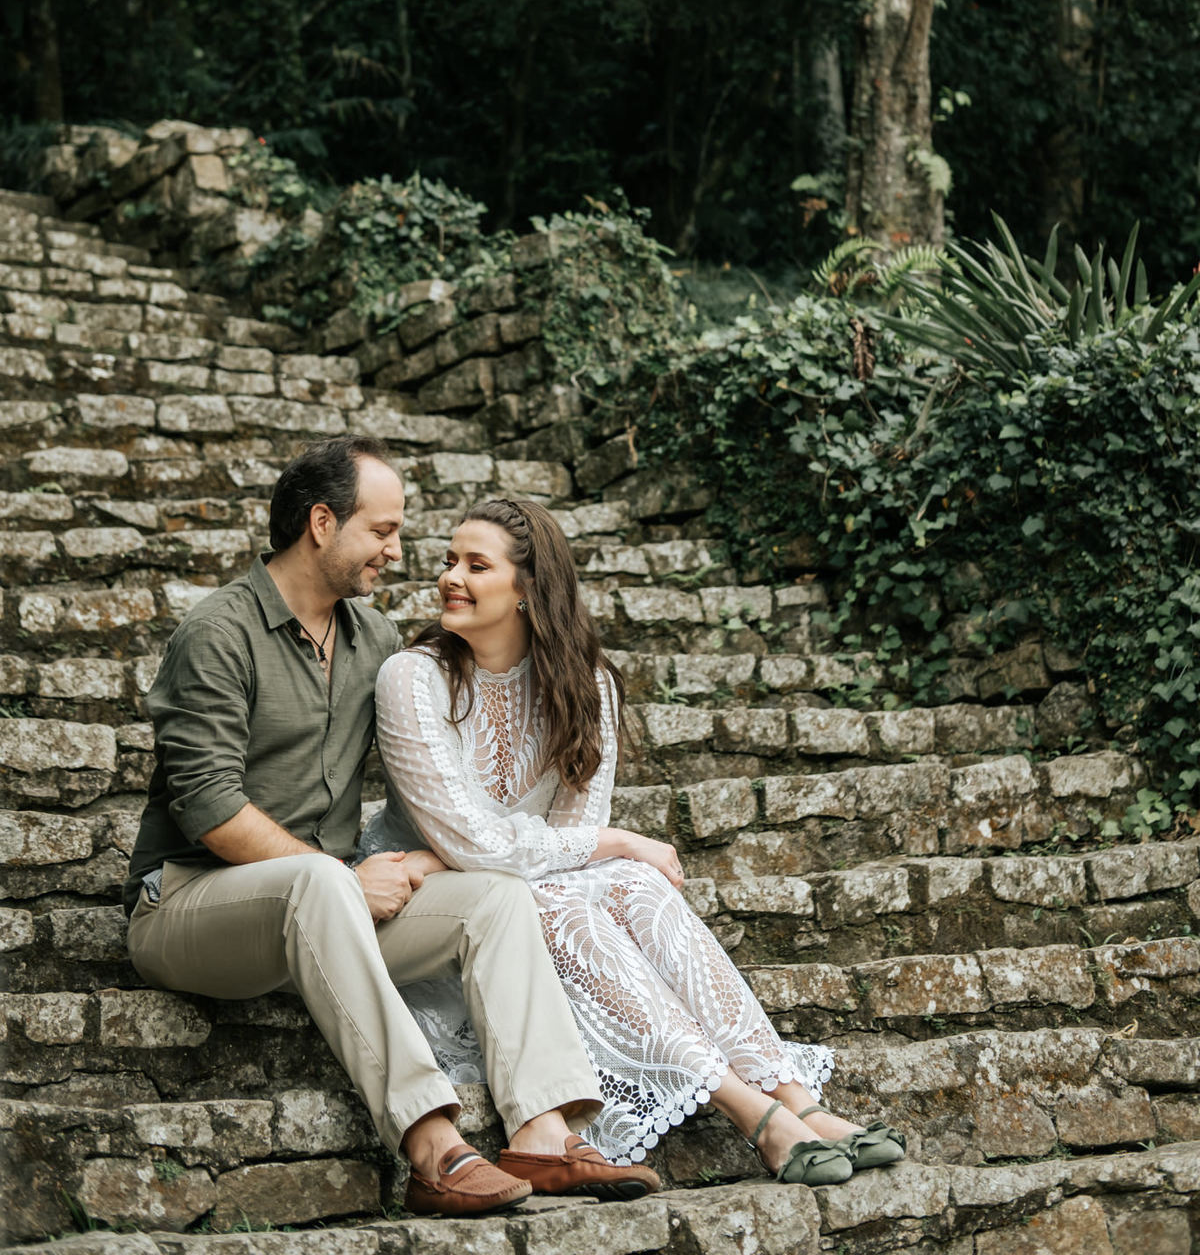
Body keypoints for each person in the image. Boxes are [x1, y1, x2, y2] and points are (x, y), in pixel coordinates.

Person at [124, 437, 660, 1216]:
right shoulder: (219, 633)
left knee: (494, 898)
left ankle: (543, 1135)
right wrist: (343, 878)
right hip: (187, 907)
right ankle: (434, 1147)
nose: (397, 551)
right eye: (382, 531)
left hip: (326, 915)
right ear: (320, 523)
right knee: (315, 880)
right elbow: (207, 806)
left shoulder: (374, 641)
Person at [359, 496, 907, 1189]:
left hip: (478, 874)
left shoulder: (585, 685)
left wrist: (570, 847)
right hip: (441, 909)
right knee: (570, 900)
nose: (449, 578)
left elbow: (559, 837)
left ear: (529, 588)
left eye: (476, 564)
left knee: (635, 882)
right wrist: (611, 838)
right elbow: (486, 843)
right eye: (448, 561)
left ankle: (796, 1100)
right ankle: (755, 1115)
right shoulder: (414, 678)